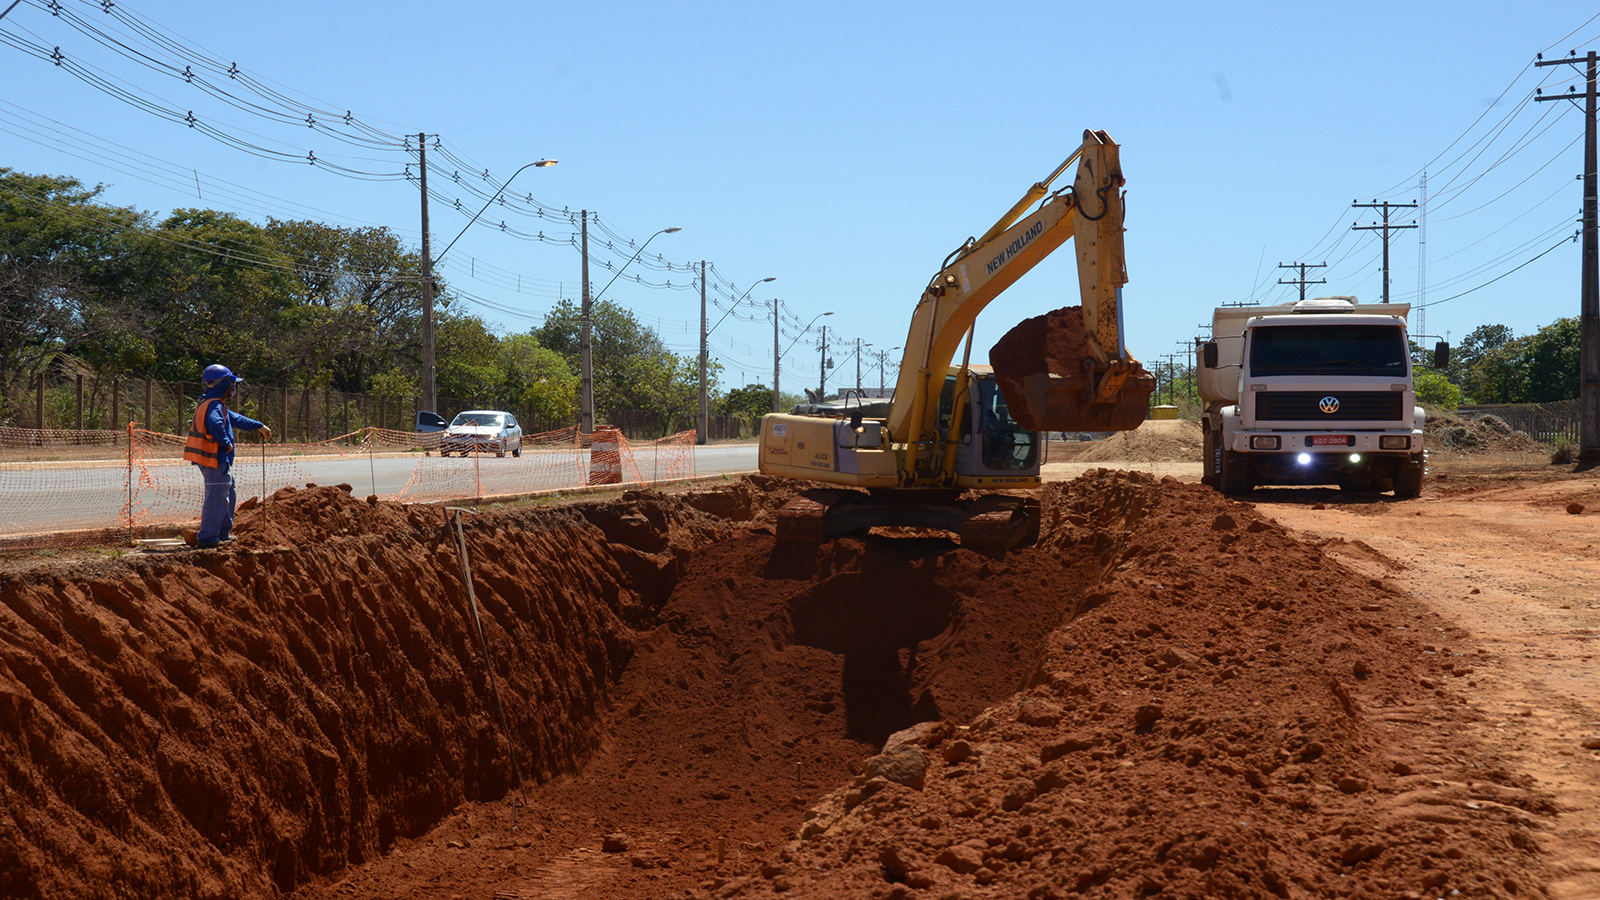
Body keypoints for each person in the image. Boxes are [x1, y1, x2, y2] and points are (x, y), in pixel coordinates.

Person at [182, 364, 270, 548]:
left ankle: (222, 533)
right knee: (217, 497)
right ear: (222, 384)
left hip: (214, 459)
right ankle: (208, 538)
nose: (233, 388)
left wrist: (258, 426)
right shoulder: (213, 405)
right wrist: (226, 443)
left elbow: (235, 418)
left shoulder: (211, 403)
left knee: (228, 491)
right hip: (214, 458)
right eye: (231, 383)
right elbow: (215, 424)